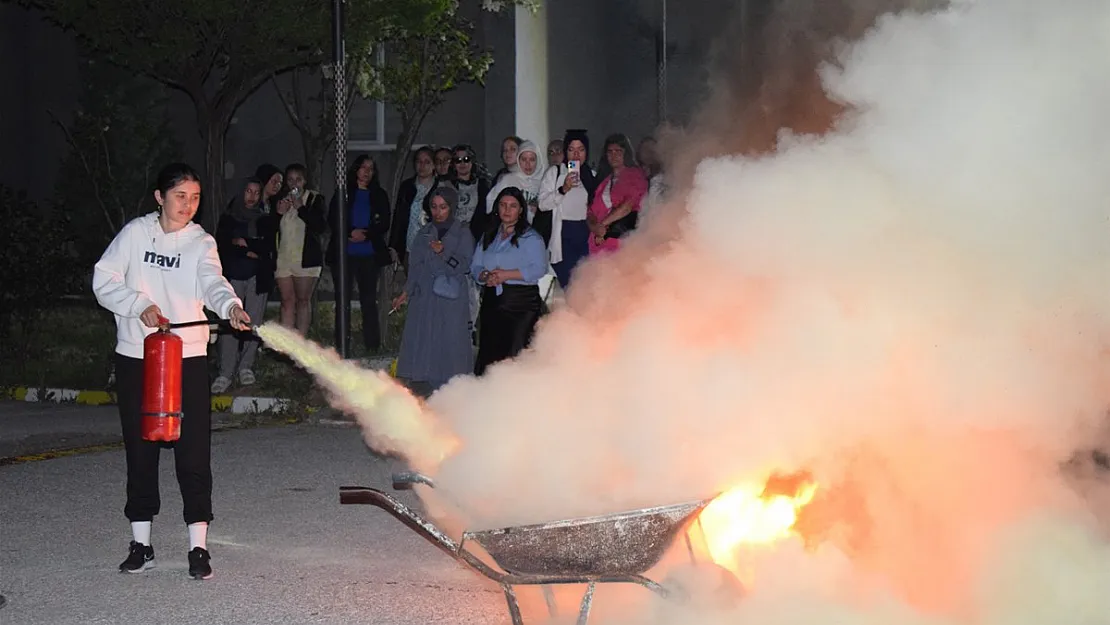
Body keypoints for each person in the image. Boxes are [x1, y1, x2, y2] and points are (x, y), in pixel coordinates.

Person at [92, 162, 252, 581]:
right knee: (141, 453)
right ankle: (141, 544)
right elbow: (103, 280)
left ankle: (198, 549)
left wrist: (230, 307)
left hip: (187, 359)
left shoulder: (201, 242)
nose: (188, 205)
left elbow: (212, 283)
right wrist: (138, 305)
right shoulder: (134, 234)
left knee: (193, 454)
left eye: (195, 197)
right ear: (160, 197)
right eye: (180, 196)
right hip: (137, 357)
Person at [391, 187, 475, 394]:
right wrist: (406, 291)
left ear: (452, 208)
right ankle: (424, 385)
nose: (438, 212)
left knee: (450, 340)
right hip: (425, 296)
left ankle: (453, 389)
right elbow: (415, 266)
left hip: (451, 298)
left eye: (443, 207)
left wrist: (443, 252)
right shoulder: (424, 232)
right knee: (424, 337)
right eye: (434, 207)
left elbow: (466, 264)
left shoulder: (462, 232)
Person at [472, 187, 549, 375]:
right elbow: (475, 266)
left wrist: (506, 275)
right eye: (503, 205)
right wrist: (485, 276)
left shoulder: (531, 237)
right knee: (491, 354)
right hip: (493, 302)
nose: (507, 210)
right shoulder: (489, 235)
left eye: (512, 206)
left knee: (516, 355)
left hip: (521, 304)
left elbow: (539, 268)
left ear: (520, 210)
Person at [212, 177, 275, 393]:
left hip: (258, 277)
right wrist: (244, 249)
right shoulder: (229, 217)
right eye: (248, 191)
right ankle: (225, 372)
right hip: (233, 275)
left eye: (257, 192)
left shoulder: (265, 218)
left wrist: (245, 244)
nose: (252, 196)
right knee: (230, 322)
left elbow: (266, 246)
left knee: (253, 321)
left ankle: (246, 367)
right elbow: (222, 245)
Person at [327, 155, 392, 355]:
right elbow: (333, 218)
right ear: (355, 169)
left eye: (371, 169)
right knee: (343, 299)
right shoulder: (344, 193)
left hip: (369, 254)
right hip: (344, 254)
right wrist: (349, 233)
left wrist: (366, 234)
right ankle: (341, 345)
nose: (366, 172)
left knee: (368, 300)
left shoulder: (378, 194)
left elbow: (384, 222)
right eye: (363, 167)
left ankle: (372, 345)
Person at [538, 129, 599, 289]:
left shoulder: (592, 176)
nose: (576, 155)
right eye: (571, 150)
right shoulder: (555, 172)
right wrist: (563, 189)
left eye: (581, 150)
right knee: (570, 286)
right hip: (563, 234)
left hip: (586, 234)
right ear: (566, 151)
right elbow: (542, 204)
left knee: (587, 285)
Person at [272, 163, 329, 336]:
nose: (294, 184)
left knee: (303, 301)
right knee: (286, 301)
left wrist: (301, 208)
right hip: (283, 258)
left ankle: (301, 344)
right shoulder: (280, 199)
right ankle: (288, 347)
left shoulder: (314, 199)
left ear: (304, 181)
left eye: (298, 179)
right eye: (290, 180)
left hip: (305, 259)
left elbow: (320, 226)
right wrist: (278, 213)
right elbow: (270, 229)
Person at [588, 133, 648, 255]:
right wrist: (595, 227)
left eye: (618, 151)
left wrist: (602, 225)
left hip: (623, 243)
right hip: (598, 243)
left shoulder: (635, 175)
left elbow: (627, 207)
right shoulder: (603, 180)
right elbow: (590, 211)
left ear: (626, 153)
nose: (613, 155)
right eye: (610, 152)